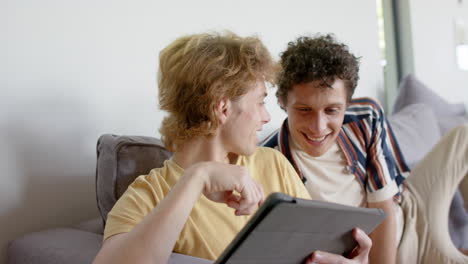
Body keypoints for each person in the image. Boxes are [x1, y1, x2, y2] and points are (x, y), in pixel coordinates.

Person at [93, 32, 372, 264]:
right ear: (223, 108)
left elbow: (318, 251)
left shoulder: (273, 163)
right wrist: (197, 177)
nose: (266, 117)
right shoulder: (149, 194)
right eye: (261, 101)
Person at [263, 34, 468, 264]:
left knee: (464, 136)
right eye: (304, 110)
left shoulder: (364, 117)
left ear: (347, 104)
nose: (318, 127)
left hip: (412, 208)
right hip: (407, 251)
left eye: (332, 110)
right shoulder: (270, 159)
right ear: (282, 102)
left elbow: (383, 208)